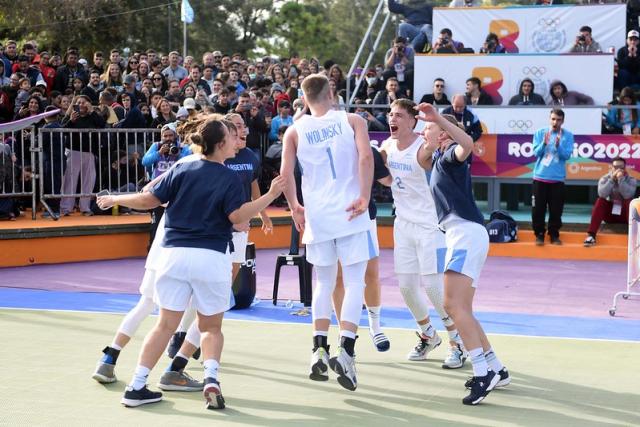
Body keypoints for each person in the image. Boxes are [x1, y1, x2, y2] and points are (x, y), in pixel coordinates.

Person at [96, 115, 285, 409]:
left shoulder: (183, 168)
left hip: (173, 257)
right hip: (210, 258)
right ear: (221, 144)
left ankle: (136, 385)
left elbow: (149, 200)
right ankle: (211, 379)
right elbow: (237, 219)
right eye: (232, 136)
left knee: (163, 326)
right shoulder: (229, 178)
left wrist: (117, 198)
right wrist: (271, 196)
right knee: (211, 327)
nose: (237, 141)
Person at [281, 73, 374, 391]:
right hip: (350, 212)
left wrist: (295, 206)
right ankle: (345, 350)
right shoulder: (353, 120)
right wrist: (365, 194)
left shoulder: (294, 130)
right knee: (354, 283)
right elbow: (365, 156)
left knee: (323, 284)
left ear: (304, 97)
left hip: (318, 216)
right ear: (331, 92)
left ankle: (318, 347)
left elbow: (284, 174)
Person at [415, 102, 509, 405]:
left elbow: (467, 143)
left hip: (465, 234)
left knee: (452, 305)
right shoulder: (438, 159)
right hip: (461, 236)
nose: (423, 131)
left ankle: (483, 372)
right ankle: (495, 367)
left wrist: (438, 118)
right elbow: (420, 159)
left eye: (427, 129)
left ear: (443, 134)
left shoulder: (453, 157)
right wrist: (430, 130)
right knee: (462, 309)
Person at [380, 99, 467, 368]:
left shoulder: (425, 146)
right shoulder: (386, 146)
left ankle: (458, 342)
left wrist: (439, 122)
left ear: (412, 121)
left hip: (431, 226)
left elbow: (449, 137)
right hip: (403, 225)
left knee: (433, 288)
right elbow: (387, 177)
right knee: (406, 287)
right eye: (390, 114)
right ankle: (429, 335)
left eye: (399, 115)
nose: (392, 119)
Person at [531, 109, 574, 246]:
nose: (555, 122)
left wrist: (558, 146)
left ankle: (554, 235)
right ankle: (539, 234)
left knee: (556, 209)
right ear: (549, 119)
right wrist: (544, 144)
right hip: (540, 177)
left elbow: (566, 156)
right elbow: (535, 153)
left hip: (557, 179)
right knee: (538, 209)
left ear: (563, 120)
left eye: (558, 120)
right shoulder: (540, 133)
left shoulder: (568, 135)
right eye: (553, 119)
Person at [59, 95, 106, 216]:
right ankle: (65, 208)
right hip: (73, 151)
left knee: (89, 180)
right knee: (70, 180)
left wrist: (92, 112)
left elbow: (102, 124)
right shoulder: (72, 116)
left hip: (89, 152)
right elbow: (62, 129)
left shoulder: (93, 116)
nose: (81, 104)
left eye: (84, 102)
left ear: (89, 104)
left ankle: (85, 207)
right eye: (78, 102)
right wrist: (71, 120)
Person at [584, 157, 637, 247]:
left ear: (625, 168)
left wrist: (621, 179)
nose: (618, 169)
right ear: (611, 168)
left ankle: (635, 238)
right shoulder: (604, 178)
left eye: (621, 167)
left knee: (630, 202)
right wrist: (612, 180)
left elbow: (627, 195)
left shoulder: (631, 180)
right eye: (615, 167)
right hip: (610, 214)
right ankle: (591, 236)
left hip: (625, 215)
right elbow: (602, 194)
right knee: (600, 200)